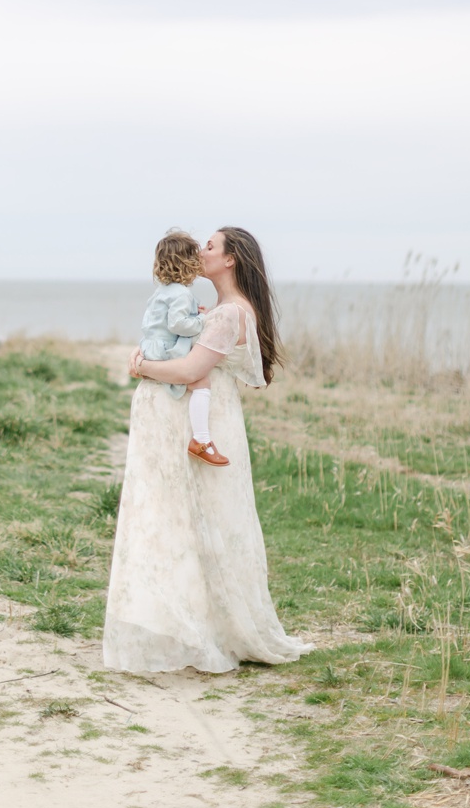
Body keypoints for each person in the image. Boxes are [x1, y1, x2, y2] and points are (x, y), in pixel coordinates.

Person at [102, 226, 313, 674]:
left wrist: (143, 366)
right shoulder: (219, 311)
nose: (201, 251)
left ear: (231, 259)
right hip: (201, 417)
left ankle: (200, 631)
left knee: (190, 520)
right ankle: (191, 625)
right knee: (188, 522)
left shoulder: (226, 314)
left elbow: (192, 368)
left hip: (198, 421)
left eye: (210, 246)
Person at [137, 228, 206, 411]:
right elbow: (176, 324)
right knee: (200, 383)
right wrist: (201, 321)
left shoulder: (162, 291)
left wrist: (193, 313)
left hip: (149, 346)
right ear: (189, 264)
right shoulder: (183, 294)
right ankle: (201, 435)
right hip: (165, 352)